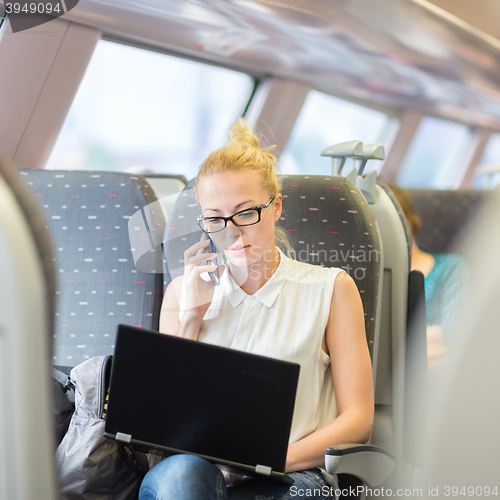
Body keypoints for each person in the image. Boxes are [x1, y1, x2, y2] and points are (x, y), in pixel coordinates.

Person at [140, 119, 374, 500]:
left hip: (291, 471)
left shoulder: (332, 289)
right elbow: (164, 423)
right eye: (215, 218)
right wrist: (190, 323)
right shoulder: (183, 292)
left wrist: (265, 460)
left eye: (246, 213)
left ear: (276, 206)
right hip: (196, 470)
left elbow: (358, 420)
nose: (231, 231)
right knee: (180, 478)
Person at [388, 184, 467, 367]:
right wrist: (431, 336)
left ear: (406, 224)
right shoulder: (365, 277)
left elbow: (454, 335)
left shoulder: (449, 268)